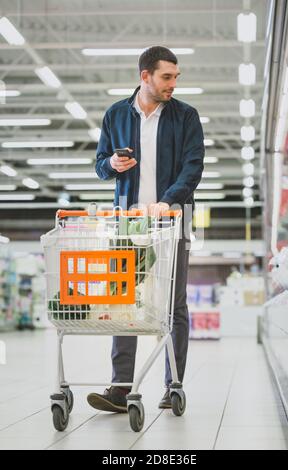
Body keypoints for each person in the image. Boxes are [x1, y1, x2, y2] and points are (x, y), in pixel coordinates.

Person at [87, 46, 205, 412]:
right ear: (145, 76)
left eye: (175, 77)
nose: (173, 83)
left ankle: (173, 385)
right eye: (166, 77)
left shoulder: (185, 116)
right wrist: (112, 163)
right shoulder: (116, 114)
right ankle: (121, 388)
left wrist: (168, 202)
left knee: (174, 304)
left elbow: (193, 167)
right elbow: (100, 165)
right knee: (125, 301)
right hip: (128, 221)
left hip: (172, 221)